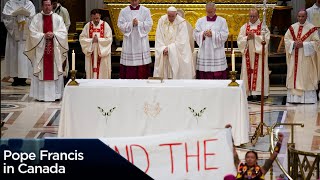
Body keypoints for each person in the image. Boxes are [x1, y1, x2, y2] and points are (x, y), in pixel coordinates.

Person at [24, 0, 68, 102]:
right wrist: (43, 35)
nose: (47, 7)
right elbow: (32, 33)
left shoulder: (58, 18)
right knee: (42, 71)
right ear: (42, 6)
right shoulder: (36, 18)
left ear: (52, 6)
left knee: (55, 70)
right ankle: (41, 96)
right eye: (45, 5)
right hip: (41, 51)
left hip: (54, 52)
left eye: (49, 5)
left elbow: (63, 32)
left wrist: (54, 34)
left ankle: (56, 95)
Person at [284, 10, 320, 104]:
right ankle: (294, 99)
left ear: (306, 16)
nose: (301, 18)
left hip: (306, 58)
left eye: (303, 16)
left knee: (306, 76)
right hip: (294, 58)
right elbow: (286, 40)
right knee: (294, 76)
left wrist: (304, 44)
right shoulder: (292, 28)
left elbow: (317, 43)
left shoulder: (312, 28)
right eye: (299, 16)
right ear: (297, 17)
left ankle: (308, 99)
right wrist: (293, 43)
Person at [237, 9, 270, 100]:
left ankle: (260, 92)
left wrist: (254, 37)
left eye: (254, 16)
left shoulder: (263, 27)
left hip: (258, 55)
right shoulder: (244, 27)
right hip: (248, 53)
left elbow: (266, 39)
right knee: (248, 71)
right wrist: (247, 38)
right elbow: (239, 40)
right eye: (250, 16)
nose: (252, 18)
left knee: (259, 71)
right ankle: (249, 92)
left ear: (258, 16)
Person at [154, 6, 195, 79]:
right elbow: (158, 37)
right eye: (169, 16)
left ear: (176, 15)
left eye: (172, 16)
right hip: (164, 52)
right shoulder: (162, 20)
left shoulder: (181, 22)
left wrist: (170, 49)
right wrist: (163, 48)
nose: (170, 18)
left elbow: (182, 41)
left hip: (177, 53)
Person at [2, 0, 36, 86]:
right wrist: (17, 18)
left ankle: (23, 78)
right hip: (14, 37)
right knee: (14, 56)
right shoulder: (9, 3)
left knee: (24, 56)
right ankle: (15, 78)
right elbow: (6, 18)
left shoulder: (29, 3)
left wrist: (24, 18)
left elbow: (33, 18)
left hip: (25, 36)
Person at [117, 0, 153, 79]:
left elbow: (149, 24)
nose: (134, 2)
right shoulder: (123, 11)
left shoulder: (145, 10)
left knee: (141, 65)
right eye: (132, 0)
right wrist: (131, 24)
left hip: (141, 40)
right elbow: (120, 25)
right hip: (129, 40)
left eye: (135, 0)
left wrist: (139, 23)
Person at [193, 2, 229, 79]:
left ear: (215, 10)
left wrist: (213, 34)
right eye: (207, 12)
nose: (209, 13)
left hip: (217, 51)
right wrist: (203, 34)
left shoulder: (222, 21)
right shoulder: (200, 21)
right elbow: (195, 34)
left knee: (217, 70)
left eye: (211, 12)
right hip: (204, 50)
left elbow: (225, 34)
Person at [79, 9, 113, 79]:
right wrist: (91, 40)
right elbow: (82, 38)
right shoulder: (87, 26)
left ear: (100, 16)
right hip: (91, 52)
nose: (96, 20)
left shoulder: (105, 25)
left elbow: (109, 39)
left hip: (102, 53)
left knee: (102, 71)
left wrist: (99, 40)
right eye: (94, 18)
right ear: (91, 17)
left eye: (97, 18)